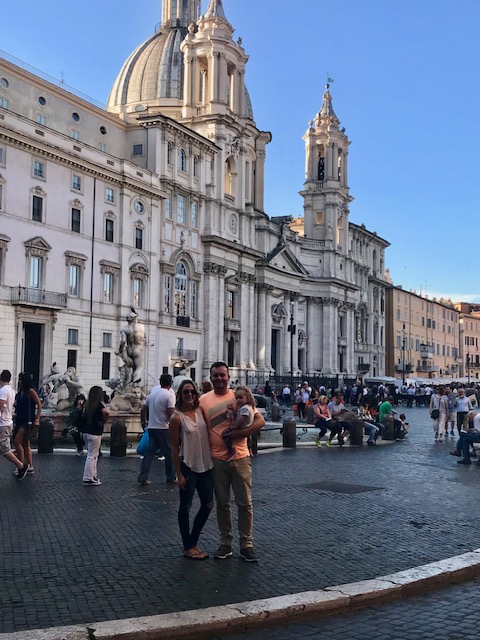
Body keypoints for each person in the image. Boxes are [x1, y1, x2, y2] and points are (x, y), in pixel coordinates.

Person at [199, 361, 265, 562]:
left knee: (245, 503)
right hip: (217, 459)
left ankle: (247, 544)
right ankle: (225, 543)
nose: (219, 378)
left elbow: (260, 421)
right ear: (211, 378)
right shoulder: (203, 400)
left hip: (241, 456)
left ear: (228, 377)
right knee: (222, 504)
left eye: (222, 375)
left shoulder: (238, 396)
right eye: (216, 375)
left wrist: (241, 433)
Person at [169, 380, 213, 559]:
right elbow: (174, 447)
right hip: (188, 466)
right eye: (186, 392)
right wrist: (178, 474)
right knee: (185, 507)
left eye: (193, 393)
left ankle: (192, 541)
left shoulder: (200, 410)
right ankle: (188, 547)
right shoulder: (176, 418)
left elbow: (212, 429)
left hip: (206, 465)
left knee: (208, 505)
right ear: (180, 394)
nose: (190, 395)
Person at [138, 374, 176, 486]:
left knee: (149, 454)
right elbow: (171, 413)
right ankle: (171, 477)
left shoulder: (152, 394)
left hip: (152, 428)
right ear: (170, 383)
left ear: (160, 382)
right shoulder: (169, 395)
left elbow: (143, 409)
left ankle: (143, 477)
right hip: (164, 428)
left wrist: (143, 422)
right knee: (169, 454)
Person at [0, 370, 30, 479]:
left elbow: (1, 406)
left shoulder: (3, 391)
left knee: (5, 450)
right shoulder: (11, 390)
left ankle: (21, 466)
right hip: (8, 422)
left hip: (3, 423)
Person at [13, 372, 42, 475]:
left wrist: (37, 419)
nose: (19, 381)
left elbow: (39, 404)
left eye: (20, 379)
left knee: (17, 442)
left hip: (27, 421)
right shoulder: (21, 391)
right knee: (26, 444)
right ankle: (30, 466)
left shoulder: (30, 391)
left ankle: (21, 465)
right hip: (20, 419)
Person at [81, 386, 109, 485]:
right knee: (92, 456)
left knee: (92, 454)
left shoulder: (87, 404)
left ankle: (93, 476)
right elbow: (107, 412)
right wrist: (104, 421)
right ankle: (88, 477)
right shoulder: (100, 404)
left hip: (86, 432)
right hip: (95, 433)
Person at [224, 386, 255, 461]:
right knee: (248, 439)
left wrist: (234, 427)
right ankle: (250, 449)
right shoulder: (249, 406)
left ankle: (231, 450)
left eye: (241, 398)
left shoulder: (244, 408)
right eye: (236, 398)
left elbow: (241, 419)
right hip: (247, 426)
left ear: (247, 397)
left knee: (225, 435)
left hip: (242, 427)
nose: (238, 400)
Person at [116, 307, 145, 386]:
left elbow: (123, 341)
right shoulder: (141, 327)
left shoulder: (124, 329)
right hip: (138, 350)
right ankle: (135, 381)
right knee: (139, 368)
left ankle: (128, 382)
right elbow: (144, 338)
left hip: (129, 350)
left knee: (131, 368)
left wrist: (119, 350)